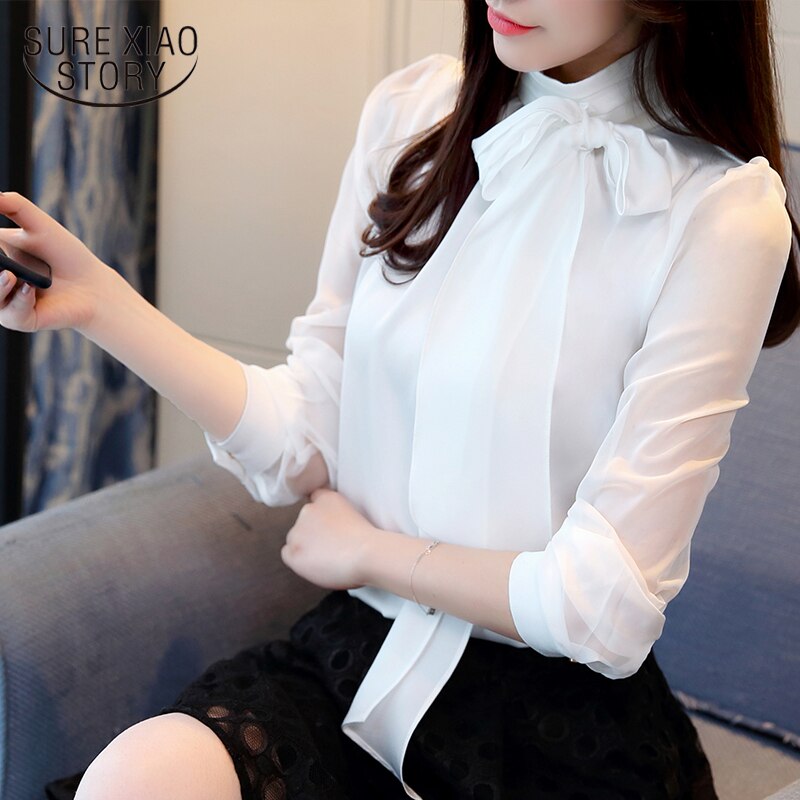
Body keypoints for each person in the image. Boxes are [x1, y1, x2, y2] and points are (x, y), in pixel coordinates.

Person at [2, 0, 798, 798]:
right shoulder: (410, 116)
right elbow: (304, 436)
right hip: (356, 661)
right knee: (138, 777)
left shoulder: (723, 214)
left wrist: (370, 554)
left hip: (560, 732)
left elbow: (606, 603)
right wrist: (100, 304)